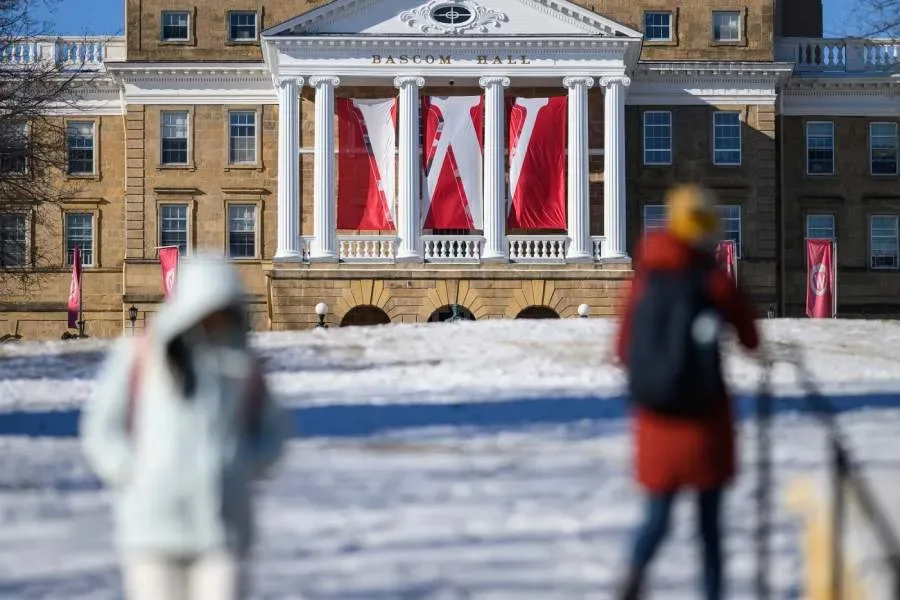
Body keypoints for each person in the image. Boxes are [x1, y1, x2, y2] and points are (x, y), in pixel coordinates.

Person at [81, 254, 286, 600]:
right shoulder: (142, 353)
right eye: (211, 308)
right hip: (154, 527)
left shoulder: (241, 361)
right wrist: (133, 471)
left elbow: (273, 430)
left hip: (223, 525)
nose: (217, 318)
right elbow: (102, 427)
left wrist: (241, 466)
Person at [614, 184, 761, 600]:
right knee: (709, 527)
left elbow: (623, 348)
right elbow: (750, 337)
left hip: (657, 420)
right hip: (705, 419)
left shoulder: (643, 279)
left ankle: (632, 581)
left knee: (657, 517)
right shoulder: (712, 279)